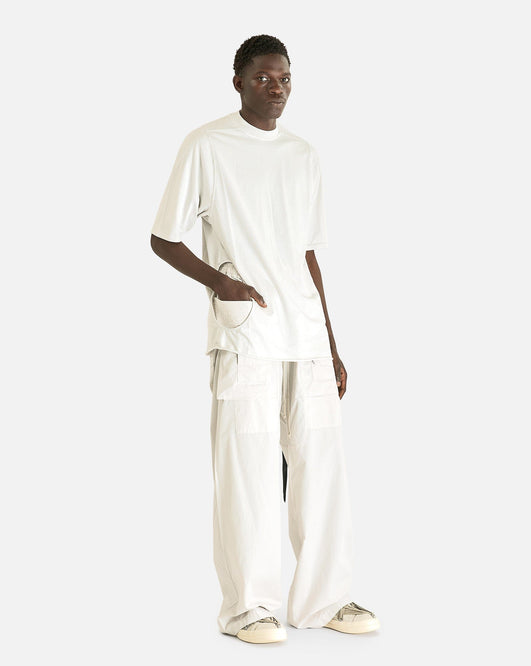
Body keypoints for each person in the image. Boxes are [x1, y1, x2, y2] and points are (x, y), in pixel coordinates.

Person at [150, 34, 379, 644]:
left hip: (305, 339)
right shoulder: (207, 144)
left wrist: (332, 344)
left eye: (283, 79)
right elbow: (163, 238)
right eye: (262, 78)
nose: (275, 88)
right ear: (238, 83)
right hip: (247, 338)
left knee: (322, 472)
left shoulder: (303, 155)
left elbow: (308, 253)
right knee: (247, 475)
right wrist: (220, 284)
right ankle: (247, 609)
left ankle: (325, 601)